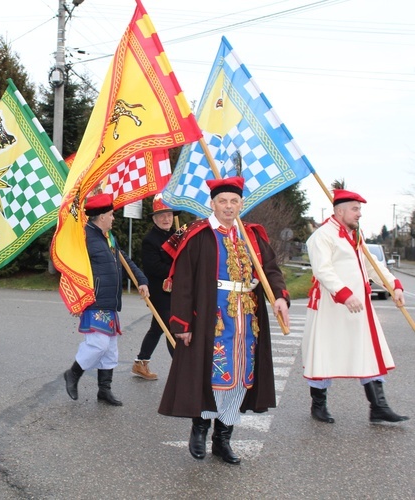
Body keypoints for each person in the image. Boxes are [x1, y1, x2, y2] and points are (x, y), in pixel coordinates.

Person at [158, 177, 290, 465]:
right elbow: (183, 281)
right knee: (213, 376)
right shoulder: (198, 233)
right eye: (223, 201)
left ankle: (223, 438)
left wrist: (279, 295)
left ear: (241, 204)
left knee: (241, 375)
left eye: (234, 201)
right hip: (210, 317)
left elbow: (270, 270)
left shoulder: (252, 235)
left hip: (247, 321)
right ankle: (201, 428)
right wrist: (182, 324)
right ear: (213, 204)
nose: (228, 207)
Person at [302, 188, 408, 424]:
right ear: (340, 211)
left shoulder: (355, 236)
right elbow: (323, 270)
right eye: (355, 209)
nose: (359, 214)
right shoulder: (322, 236)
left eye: (359, 209)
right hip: (332, 307)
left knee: (369, 351)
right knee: (323, 353)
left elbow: (372, 267)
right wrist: (344, 294)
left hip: (360, 309)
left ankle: (379, 407)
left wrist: (394, 285)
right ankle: (318, 405)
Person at [63, 193, 150, 406]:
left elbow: (125, 259)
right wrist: (76, 297)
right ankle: (73, 373)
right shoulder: (84, 238)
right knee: (98, 344)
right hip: (94, 300)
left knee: (110, 348)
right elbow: (71, 268)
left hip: (110, 301)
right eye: (111, 215)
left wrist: (141, 279)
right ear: (101, 216)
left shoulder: (108, 237)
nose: (113, 219)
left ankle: (104, 390)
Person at [132, 193, 180, 381]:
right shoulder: (149, 240)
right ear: (154, 218)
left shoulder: (176, 234)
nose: (166, 218)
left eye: (169, 214)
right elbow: (154, 268)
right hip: (159, 292)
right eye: (162, 215)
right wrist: (178, 271)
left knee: (157, 328)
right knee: (171, 328)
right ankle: (180, 370)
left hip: (175, 290)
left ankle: (140, 362)